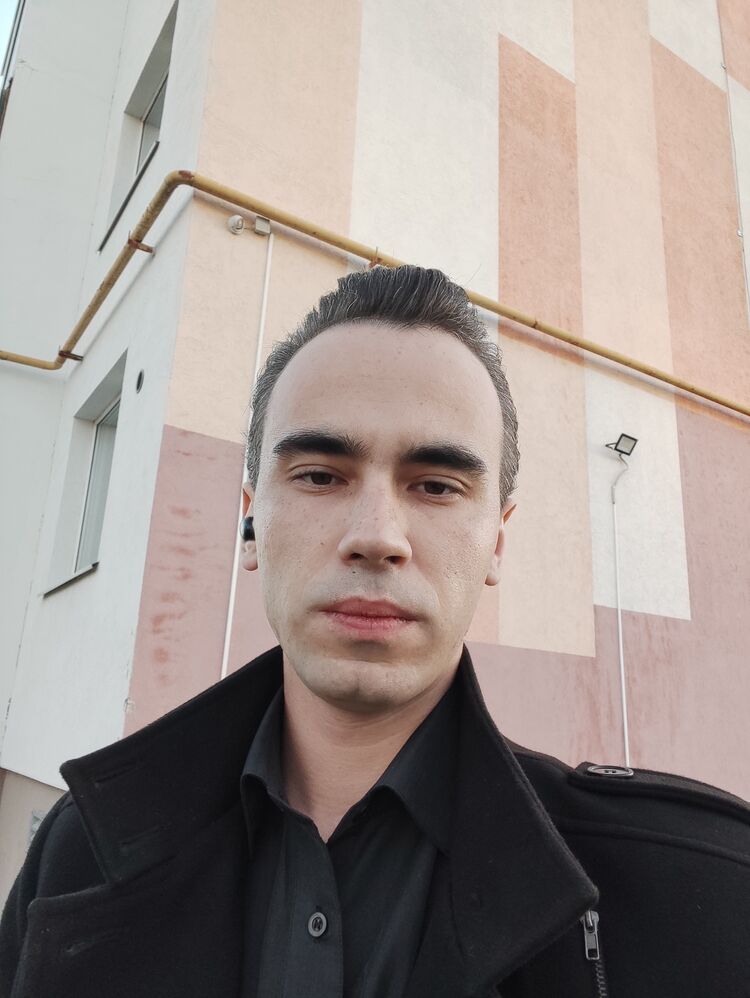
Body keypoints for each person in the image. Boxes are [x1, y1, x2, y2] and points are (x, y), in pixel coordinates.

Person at [1, 265, 749, 998]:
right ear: (251, 521)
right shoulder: (76, 852)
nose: (376, 537)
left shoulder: (704, 893)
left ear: (497, 543)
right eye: (320, 475)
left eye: (436, 486)